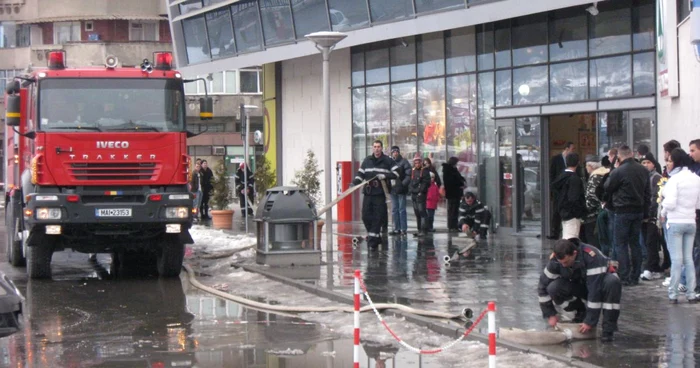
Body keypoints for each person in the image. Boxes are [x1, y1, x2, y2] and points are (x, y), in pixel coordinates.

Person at [537, 239, 622, 342]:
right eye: (561, 263)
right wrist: (550, 314)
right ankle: (581, 312)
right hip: (582, 285)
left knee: (612, 282)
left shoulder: (591, 257)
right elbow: (542, 286)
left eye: (566, 262)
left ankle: (608, 330)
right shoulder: (555, 260)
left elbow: (595, 291)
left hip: (601, 284)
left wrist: (590, 321)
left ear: (574, 253)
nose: (563, 265)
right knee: (553, 288)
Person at [604, 145, 650, 286]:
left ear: (619, 156)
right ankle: (635, 275)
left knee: (621, 244)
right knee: (635, 243)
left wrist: (613, 168)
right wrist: (646, 212)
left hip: (622, 210)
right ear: (632, 154)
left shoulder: (619, 171)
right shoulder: (643, 170)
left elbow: (607, 187)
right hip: (638, 210)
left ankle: (624, 275)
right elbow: (647, 193)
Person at [660, 148, 700, 304]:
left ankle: (673, 293)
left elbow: (669, 202)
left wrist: (663, 212)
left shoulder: (674, 180)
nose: (668, 163)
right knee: (689, 259)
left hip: (675, 221)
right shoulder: (696, 178)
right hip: (691, 222)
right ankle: (691, 293)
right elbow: (698, 203)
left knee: (677, 260)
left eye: (670, 160)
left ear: (675, 161)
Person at [353, 140, 399, 248]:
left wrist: (386, 176)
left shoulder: (387, 160)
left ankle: (373, 241)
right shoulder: (367, 160)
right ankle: (375, 236)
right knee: (365, 216)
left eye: (378, 146)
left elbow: (397, 173)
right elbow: (360, 174)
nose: (376, 149)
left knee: (378, 217)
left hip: (379, 193)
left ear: (381, 148)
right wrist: (354, 183)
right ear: (372, 148)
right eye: (374, 146)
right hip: (368, 192)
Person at [640, 153, 668, 281]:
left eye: (648, 162)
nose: (645, 165)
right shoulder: (643, 177)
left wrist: (652, 213)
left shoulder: (656, 177)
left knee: (652, 242)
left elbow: (656, 198)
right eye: (643, 163)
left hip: (654, 216)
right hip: (645, 215)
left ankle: (652, 267)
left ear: (653, 164)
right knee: (649, 242)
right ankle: (653, 266)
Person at [552, 153, 586, 240]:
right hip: (572, 214)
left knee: (566, 237)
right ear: (578, 163)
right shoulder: (574, 179)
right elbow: (574, 198)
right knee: (571, 240)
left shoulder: (561, 177)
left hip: (563, 212)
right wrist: (579, 212)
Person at [548, 142, 575, 239]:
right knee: (556, 211)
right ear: (566, 149)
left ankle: (565, 232)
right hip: (558, 190)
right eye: (572, 149)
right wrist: (553, 188)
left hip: (568, 190)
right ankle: (555, 232)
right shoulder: (556, 159)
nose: (573, 151)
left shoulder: (571, 160)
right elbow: (551, 174)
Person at [584, 157, 608, 247]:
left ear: (590, 166)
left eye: (586, 166)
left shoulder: (595, 177)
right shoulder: (605, 174)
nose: (586, 168)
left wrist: (586, 209)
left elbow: (592, 196)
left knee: (593, 239)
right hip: (603, 210)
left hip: (593, 214)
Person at [389, 146, 412, 236]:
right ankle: (396, 228)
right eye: (393, 152)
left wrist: (403, 184)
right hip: (393, 189)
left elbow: (408, 174)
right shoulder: (390, 163)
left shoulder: (404, 162)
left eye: (396, 151)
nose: (395, 153)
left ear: (398, 152)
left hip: (401, 189)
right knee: (394, 209)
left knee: (401, 209)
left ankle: (403, 229)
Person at [409, 154, 430, 237]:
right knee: (417, 212)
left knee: (422, 212)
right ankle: (419, 229)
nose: (417, 164)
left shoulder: (424, 171)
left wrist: (420, 191)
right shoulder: (413, 170)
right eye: (415, 162)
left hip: (421, 194)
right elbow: (411, 182)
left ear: (421, 162)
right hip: (414, 194)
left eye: (418, 162)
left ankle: (424, 230)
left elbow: (425, 183)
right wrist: (411, 190)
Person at [442, 157, 466, 232]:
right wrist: (460, 183)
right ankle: (452, 226)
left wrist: (462, 181)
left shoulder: (453, 169)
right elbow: (451, 181)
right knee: (452, 210)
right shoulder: (448, 170)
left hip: (455, 192)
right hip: (452, 193)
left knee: (454, 210)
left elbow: (458, 178)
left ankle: (454, 226)